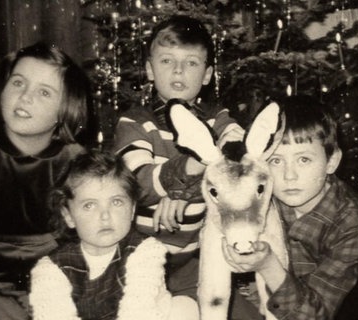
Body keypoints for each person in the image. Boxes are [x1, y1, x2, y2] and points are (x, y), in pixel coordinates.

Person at [222, 95, 358, 320]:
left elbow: (315, 315)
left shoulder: (352, 220)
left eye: (303, 160)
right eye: (275, 161)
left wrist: (268, 266)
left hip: (348, 305)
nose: (289, 175)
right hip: (293, 299)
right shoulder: (263, 195)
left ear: (331, 162)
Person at [111, 14, 246, 312]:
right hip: (135, 257)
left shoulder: (217, 119)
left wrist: (187, 192)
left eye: (192, 63)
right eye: (167, 61)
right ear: (149, 69)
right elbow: (136, 184)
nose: (179, 70)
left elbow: (239, 161)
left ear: (208, 74)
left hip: (193, 259)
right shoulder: (134, 123)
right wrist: (189, 171)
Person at [0, 42, 91, 319]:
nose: (25, 97)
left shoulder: (75, 160)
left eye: (44, 92)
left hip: (58, 281)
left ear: (65, 110)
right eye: (18, 83)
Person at [29, 151, 198, 320]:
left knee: (184, 307)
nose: (105, 216)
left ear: (132, 210)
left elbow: (139, 312)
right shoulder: (52, 268)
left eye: (116, 202)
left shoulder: (147, 252)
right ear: (69, 216)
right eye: (89, 205)